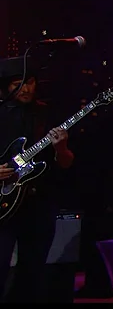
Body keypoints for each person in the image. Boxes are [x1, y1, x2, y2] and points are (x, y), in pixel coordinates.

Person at [0, 57, 75, 302]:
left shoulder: (47, 113)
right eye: (18, 84)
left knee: (32, 274)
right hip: (3, 206)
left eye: (30, 82)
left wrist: (61, 148)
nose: (26, 88)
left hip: (39, 204)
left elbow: (66, 163)